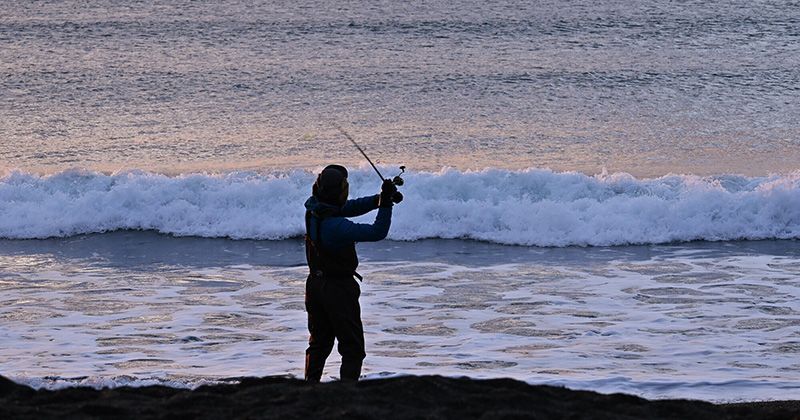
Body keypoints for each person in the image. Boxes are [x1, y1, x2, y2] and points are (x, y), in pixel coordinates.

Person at [303, 164, 402, 382]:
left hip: (315, 286)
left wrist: (379, 198)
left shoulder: (314, 210)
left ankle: (309, 388)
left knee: (319, 343)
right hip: (338, 290)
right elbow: (377, 232)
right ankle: (348, 393)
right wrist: (386, 205)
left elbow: (348, 207)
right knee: (352, 348)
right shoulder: (336, 227)